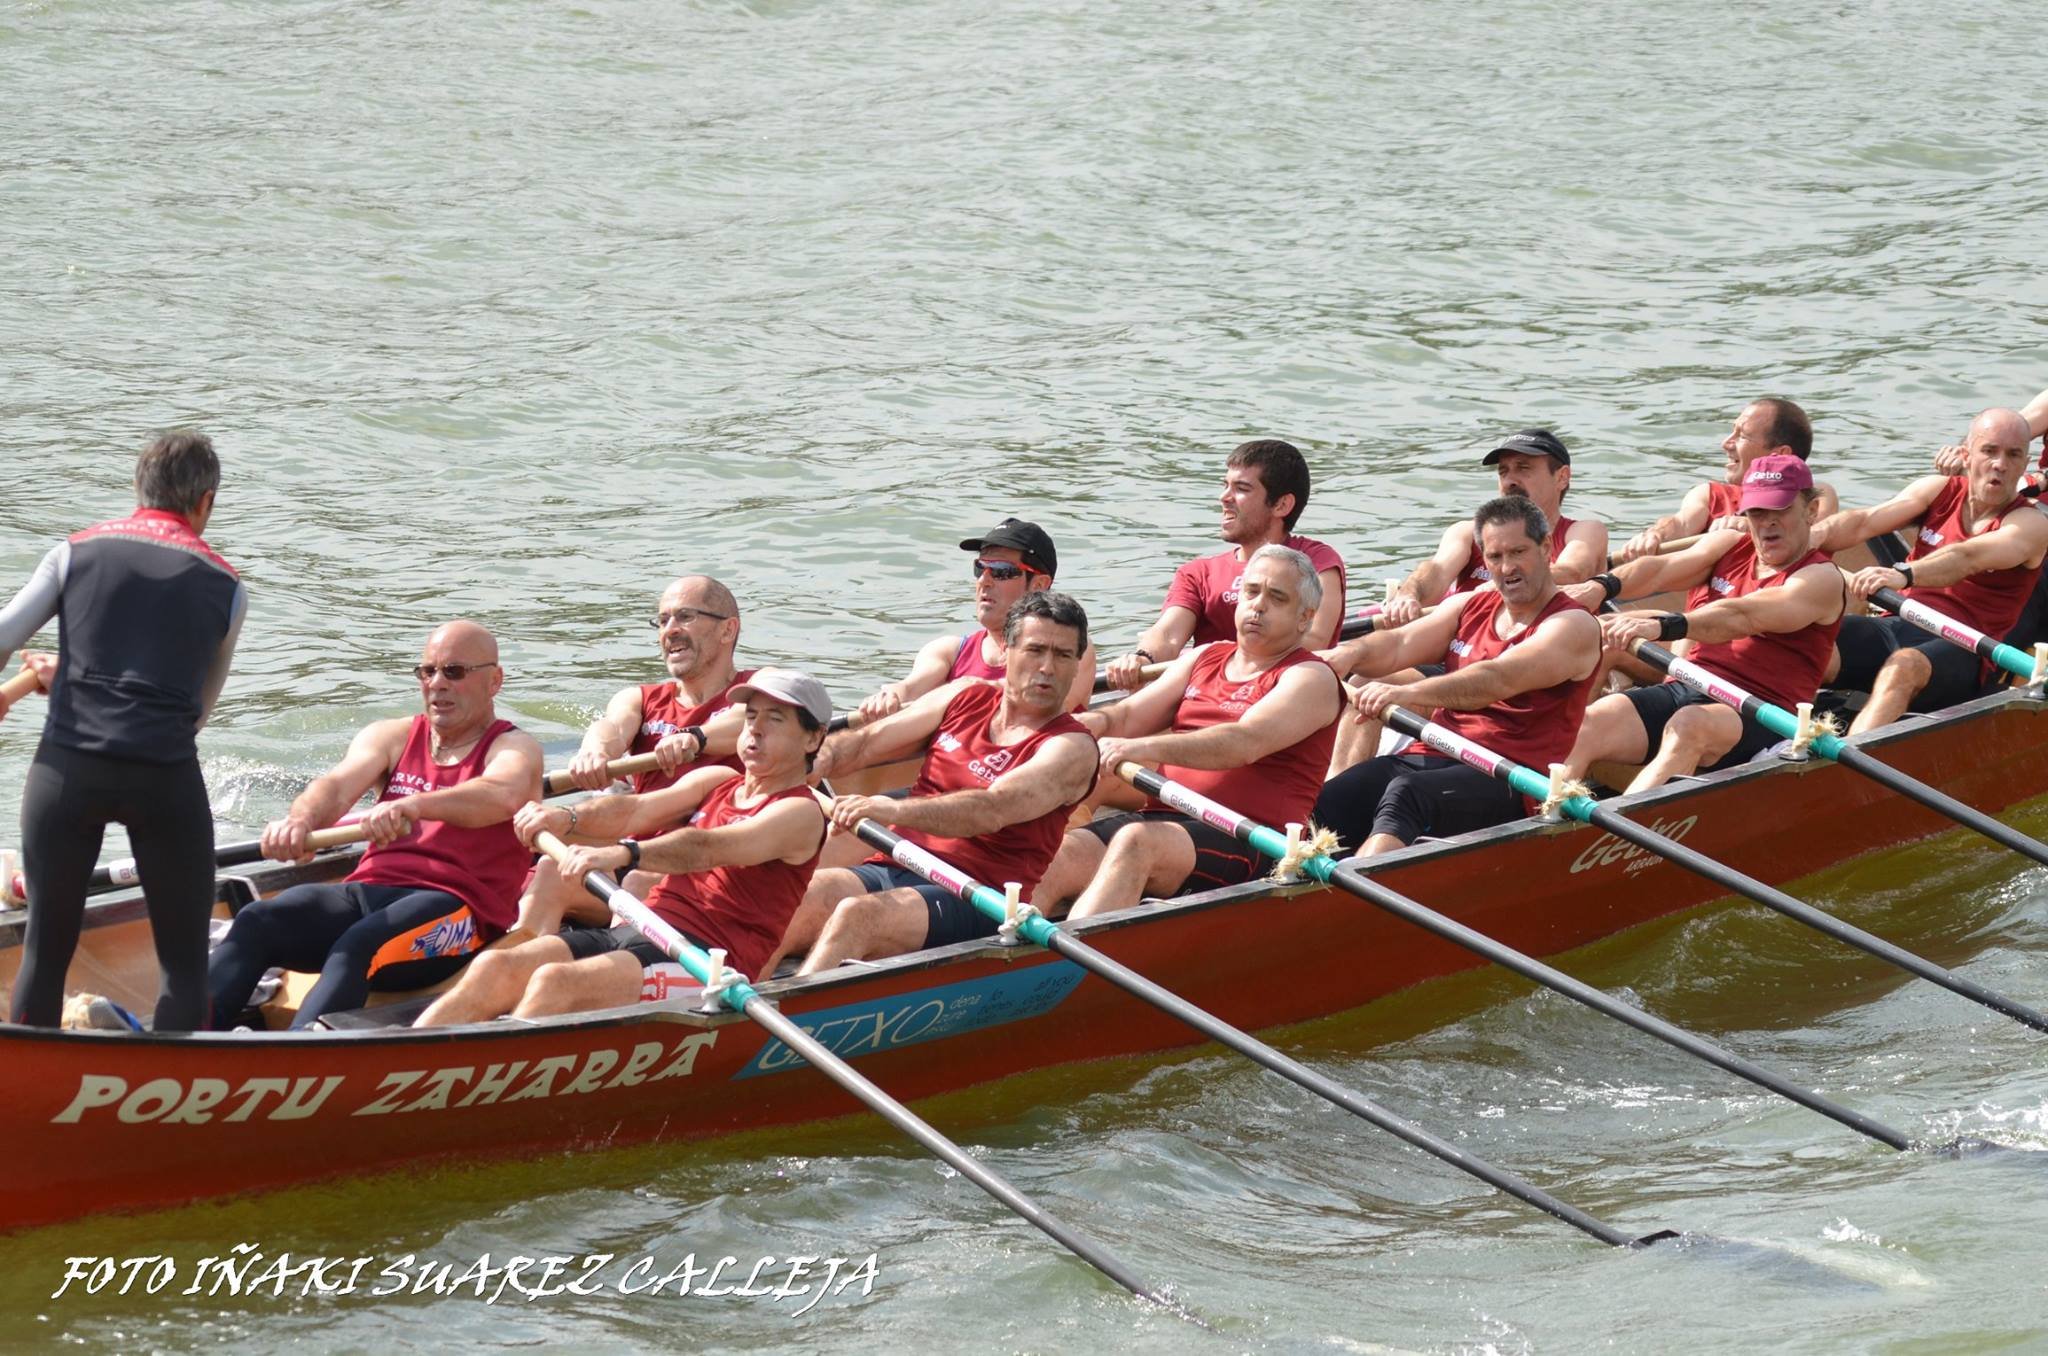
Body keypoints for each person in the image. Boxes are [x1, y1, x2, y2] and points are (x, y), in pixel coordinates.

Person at [0, 430, 245, 1032]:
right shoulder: (227, 586)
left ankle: (32, 1089)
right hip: (163, 779)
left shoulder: (75, 551)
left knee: (45, 950)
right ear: (205, 501)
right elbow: (196, 713)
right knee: (184, 969)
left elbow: (4, 640)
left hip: (66, 772)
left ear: (139, 489)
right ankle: (171, 1105)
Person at [415, 670, 830, 1026]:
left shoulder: (801, 813)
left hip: (703, 961)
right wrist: (567, 819)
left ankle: (478, 1099)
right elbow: (633, 810)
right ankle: (404, 1066)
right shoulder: (719, 780)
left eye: (774, 720)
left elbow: (710, 847)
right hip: (643, 927)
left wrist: (624, 853)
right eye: (751, 716)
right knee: (498, 966)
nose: (754, 729)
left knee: (556, 982)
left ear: (813, 739)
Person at [206, 621, 543, 1029]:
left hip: (458, 909)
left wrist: (416, 805)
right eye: (427, 671)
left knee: (360, 945)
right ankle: (187, 1035)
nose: (437, 684)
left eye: (454, 672)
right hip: (370, 889)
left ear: (494, 681)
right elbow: (334, 787)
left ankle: (298, 1056)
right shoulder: (392, 736)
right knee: (257, 921)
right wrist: (300, 820)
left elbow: (499, 794)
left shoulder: (514, 747)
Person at [779, 593, 1098, 975]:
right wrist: (816, 759)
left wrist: (891, 810)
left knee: (857, 915)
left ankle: (779, 1022)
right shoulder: (965, 693)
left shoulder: (1072, 747)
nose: (1047, 667)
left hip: (979, 898)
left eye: (1063, 656)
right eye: (1035, 650)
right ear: (1007, 651)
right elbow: (867, 741)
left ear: (1078, 666)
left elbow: (991, 809)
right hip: (899, 863)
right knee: (798, 895)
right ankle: (724, 1004)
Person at [1039, 545, 1341, 918]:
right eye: (1251, 592)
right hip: (1166, 818)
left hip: (1250, 839)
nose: (1258, 606)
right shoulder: (1207, 656)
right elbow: (1128, 715)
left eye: (1276, 598)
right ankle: (996, 960)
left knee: (1136, 842)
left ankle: (1070, 970)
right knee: (1060, 856)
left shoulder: (1310, 677)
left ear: (1305, 618)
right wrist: (1091, 724)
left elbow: (1242, 743)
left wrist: (1139, 747)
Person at [1316, 499, 1599, 855]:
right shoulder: (1469, 606)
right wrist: (1348, 654)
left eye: (1518, 552)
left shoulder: (1572, 625)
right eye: (1495, 557)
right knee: (1337, 795)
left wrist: (1405, 692)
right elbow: (1400, 642)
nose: (1507, 567)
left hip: (1511, 777)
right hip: (1435, 753)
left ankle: (1348, 904)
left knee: (1407, 795)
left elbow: (1496, 678)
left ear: (1545, 549)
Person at [1556, 456, 1844, 792]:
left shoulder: (1820, 578)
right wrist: (1601, 586)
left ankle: (1621, 830)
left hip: (1761, 711)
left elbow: (1742, 615)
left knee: (1689, 725)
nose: (1766, 523)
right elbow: (1660, 569)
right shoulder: (1731, 546)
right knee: (1590, 723)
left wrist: (1664, 626)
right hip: (1689, 687)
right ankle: (1541, 817)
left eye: (1779, 509)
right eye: (1757, 511)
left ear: (1810, 511)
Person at [1820, 408, 2048, 732]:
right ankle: (1754, 743)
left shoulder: (2030, 523)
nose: (2000, 464)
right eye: (1989, 451)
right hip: (1901, 622)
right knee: (1815, 643)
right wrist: (1807, 537)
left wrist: (1905, 574)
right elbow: (1864, 522)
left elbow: (1967, 556)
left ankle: (1841, 767)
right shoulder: (1938, 490)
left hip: (1966, 650)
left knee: (1904, 666)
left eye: (2013, 455)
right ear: (1965, 455)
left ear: (2025, 465)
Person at [1104, 440, 1346, 690]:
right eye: (1225, 486)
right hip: (1205, 695)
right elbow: (1167, 635)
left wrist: (1218, 660)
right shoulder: (1198, 573)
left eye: (1241, 488)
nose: (1224, 497)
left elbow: (1315, 639)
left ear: (1281, 505)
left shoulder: (1316, 562)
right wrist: (1143, 658)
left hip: (1282, 694)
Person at [854, 518, 1095, 723]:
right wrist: (891, 696)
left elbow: (1037, 710)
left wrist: (962, 690)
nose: (984, 581)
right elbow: (911, 687)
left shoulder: (1072, 651)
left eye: (1001, 570)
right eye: (980, 568)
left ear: (1039, 585)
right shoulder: (948, 651)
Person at [1379, 429, 1607, 624]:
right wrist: (1409, 594)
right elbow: (1437, 571)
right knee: (1361, 677)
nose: (1510, 480)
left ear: (1562, 477)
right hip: (1461, 647)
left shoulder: (1583, 531)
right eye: (1503, 471)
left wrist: (1498, 584)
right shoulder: (1467, 532)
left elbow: (1573, 571)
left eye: (1523, 468)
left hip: (1537, 653)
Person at [559, 575, 751, 796]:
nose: (670, 630)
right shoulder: (638, 699)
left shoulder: (758, 686)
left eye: (685, 617)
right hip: (645, 825)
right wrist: (594, 752)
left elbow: (757, 717)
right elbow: (612, 727)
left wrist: (695, 737)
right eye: (662, 621)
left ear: (727, 630)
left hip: (725, 825)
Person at [1616, 399, 1838, 561]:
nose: (1725, 443)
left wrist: (1751, 525)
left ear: (1779, 456)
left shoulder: (1815, 494)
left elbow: (1813, 532)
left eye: (1741, 436)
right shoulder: (1709, 494)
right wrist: (1655, 535)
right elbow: (1681, 523)